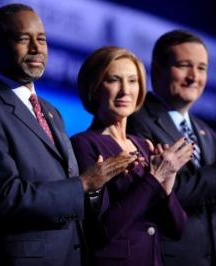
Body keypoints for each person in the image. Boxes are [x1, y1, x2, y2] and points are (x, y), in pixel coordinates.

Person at [0, 4, 136, 266]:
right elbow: (4, 199)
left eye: (41, 39)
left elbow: (72, 189)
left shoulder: (50, 111)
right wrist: (83, 185)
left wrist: (94, 188)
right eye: (23, 39)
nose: (36, 48)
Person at [127, 30, 216, 266]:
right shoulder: (136, 121)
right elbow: (157, 195)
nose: (194, 77)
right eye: (184, 65)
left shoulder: (206, 132)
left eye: (201, 68)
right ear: (157, 70)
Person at [71, 46, 191, 266]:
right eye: (114, 80)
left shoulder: (143, 145)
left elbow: (178, 229)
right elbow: (103, 230)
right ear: (95, 88)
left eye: (133, 81)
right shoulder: (84, 144)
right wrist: (154, 177)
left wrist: (166, 186)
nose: (125, 90)